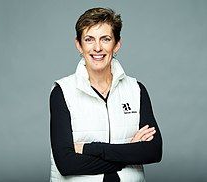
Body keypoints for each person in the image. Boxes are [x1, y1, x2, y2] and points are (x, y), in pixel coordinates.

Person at [50, 7, 162, 182]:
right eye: (89, 39)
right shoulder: (62, 92)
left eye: (105, 39)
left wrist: (88, 149)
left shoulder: (136, 90)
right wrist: (129, 152)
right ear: (79, 45)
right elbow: (66, 164)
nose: (97, 48)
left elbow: (153, 151)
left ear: (117, 44)